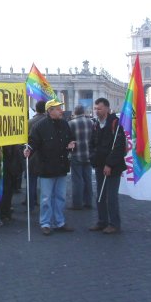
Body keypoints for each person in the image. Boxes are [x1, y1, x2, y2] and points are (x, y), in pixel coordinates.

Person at [24, 99, 76, 236]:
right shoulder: (40, 126)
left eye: (60, 108)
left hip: (62, 166)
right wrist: (27, 149)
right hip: (46, 167)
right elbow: (32, 142)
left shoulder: (65, 124)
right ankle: (45, 223)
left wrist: (71, 145)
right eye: (58, 108)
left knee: (60, 197)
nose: (61, 111)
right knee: (46, 198)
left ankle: (59, 222)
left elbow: (71, 139)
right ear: (50, 110)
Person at [88, 97, 127, 235]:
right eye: (95, 108)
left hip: (113, 167)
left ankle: (114, 224)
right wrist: (93, 158)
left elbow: (118, 147)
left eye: (99, 108)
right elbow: (92, 143)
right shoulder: (96, 124)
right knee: (100, 195)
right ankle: (102, 221)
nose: (96, 111)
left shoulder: (115, 124)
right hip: (99, 165)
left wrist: (109, 164)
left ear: (106, 108)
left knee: (111, 197)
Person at [67, 105, 94, 210]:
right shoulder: (91, 122)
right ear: (83, 112)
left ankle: (77, 204)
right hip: (88, 155)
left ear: (75, 112)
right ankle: (88, 202)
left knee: (77, 180)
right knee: (88, 179)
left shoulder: (71, 123)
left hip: (76, 154)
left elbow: (68, 139)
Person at [25, 100, 46, 211]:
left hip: (32, 155)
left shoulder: (29, 122)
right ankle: (44, 205)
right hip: (45, 156)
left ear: (36, 109)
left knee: (31, 182)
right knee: (45, 183)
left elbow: (25, 139)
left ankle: (30, 204)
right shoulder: (48, 122)